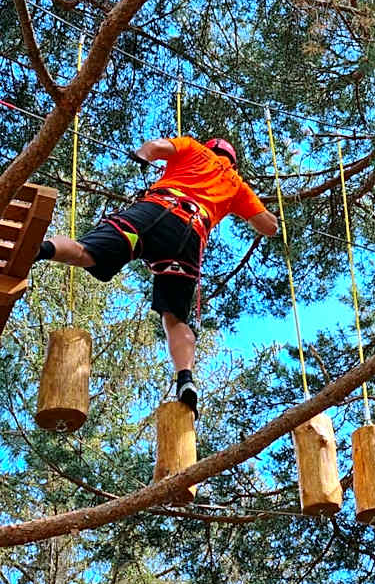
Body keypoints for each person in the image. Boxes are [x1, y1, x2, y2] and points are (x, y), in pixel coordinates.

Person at [34, 136, 279, 417]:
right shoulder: (237, 184)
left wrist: (141, 157)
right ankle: (185, 378)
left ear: (210, 148)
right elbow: (268, 226)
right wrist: (274, 214)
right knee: (175, 319)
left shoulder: (193, 147)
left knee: (86, 252)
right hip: (188, 238)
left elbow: (155, 148)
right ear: (233, 162)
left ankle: (38, 250)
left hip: (155, 212)